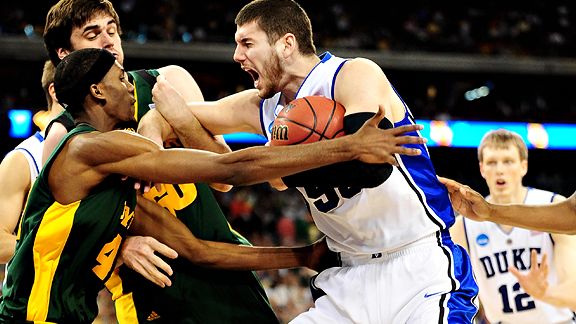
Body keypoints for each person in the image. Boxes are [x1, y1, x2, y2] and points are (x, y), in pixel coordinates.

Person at [0, 48, 426, 324]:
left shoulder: (119, 187)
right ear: (96, 91)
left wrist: (305, 254)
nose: (132, 85)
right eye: (122, 79)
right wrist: (348, 147)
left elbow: (199, 250)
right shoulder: (85, 150)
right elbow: (234, 169)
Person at [149, 0, 479, 322]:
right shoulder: (261, 107)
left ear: (286, 44)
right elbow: (165, 118)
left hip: (419, 265)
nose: (237, 56)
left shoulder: (352, 74)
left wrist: (281, 172)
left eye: (247, 43)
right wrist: (154, 132)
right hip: (347, 276)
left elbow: (369, 168)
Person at [448, 129, 576, 323]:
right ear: (482, 169)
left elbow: (573, 292)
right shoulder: (462, 227)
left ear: (524, 166)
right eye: (492, 162)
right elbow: (458, 295)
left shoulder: (553, 206)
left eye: (508, 161)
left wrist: (544, 293)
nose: (500, 169)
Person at [0, 61, 63, 264]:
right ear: (55, 90)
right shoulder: (23, 158)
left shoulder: (100, 151)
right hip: (30, 293)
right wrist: (61, 249)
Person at [440, 178, 576, 235]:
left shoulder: (551, 199)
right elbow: (572, 213)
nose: (500, 170)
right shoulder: (463, 226)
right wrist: (489, 212)